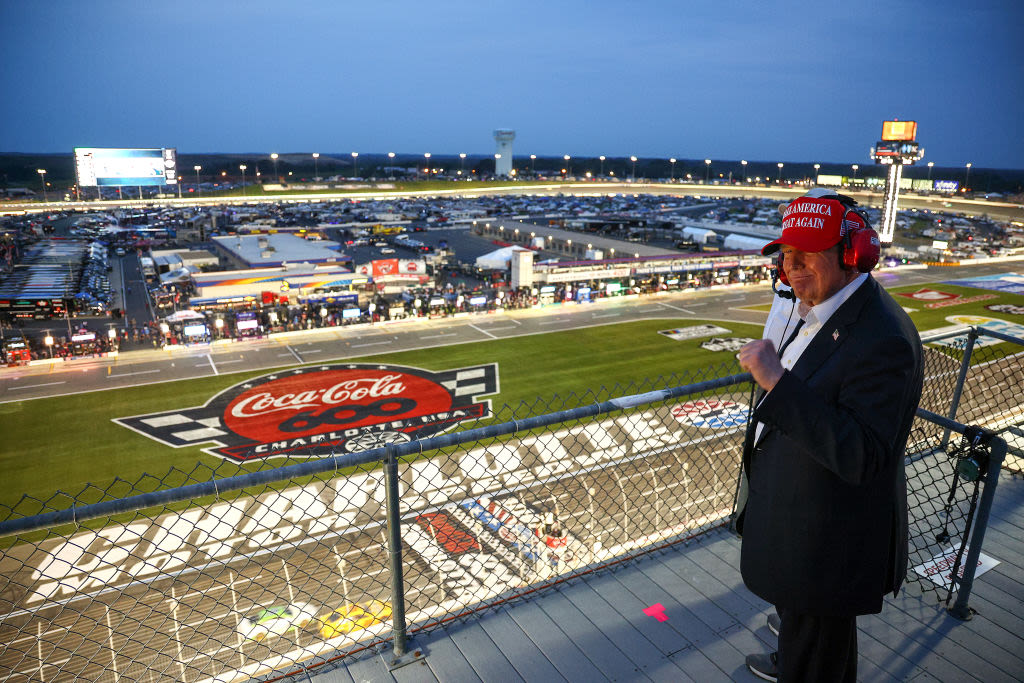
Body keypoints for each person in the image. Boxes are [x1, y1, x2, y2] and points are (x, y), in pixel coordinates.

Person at [735, 189, 923, 682]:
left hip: (828, 544)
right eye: (786, 256)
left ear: (853, 254)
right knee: (812, 647)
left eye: (806, 256)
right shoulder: (824, 310)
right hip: (803, 529)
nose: (791, 269)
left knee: (818, 662)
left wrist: (775, 380)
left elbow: (862, 453)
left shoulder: (883, 338)